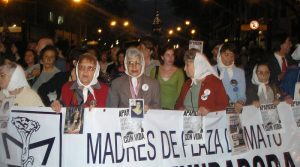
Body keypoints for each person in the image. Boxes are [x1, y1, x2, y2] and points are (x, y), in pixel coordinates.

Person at [175, 49, 228, 115]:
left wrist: (209, 110)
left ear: (198, 65)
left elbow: (224, 107)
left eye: (187, 65)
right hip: (187, 122)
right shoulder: (187, 83)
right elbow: (178, 104)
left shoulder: (215, 82)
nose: (184, 68)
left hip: (207, 123)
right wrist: (180, 108)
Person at [214, 43, 246, 112]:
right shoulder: (212, 71)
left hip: (234, 109)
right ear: (220, 55)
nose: (230, 58)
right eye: (226, 54)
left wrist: (240, 102)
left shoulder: (239, 72)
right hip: (218, 110)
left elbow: (242, 95)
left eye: (232, 55)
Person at [150, 45, 185, 109]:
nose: (171, 58)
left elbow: (180, 93)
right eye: (168, 55)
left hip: (173, 108)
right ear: (162, 57)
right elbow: (151, 90)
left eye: (172, 55)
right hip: (157, 107)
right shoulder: (154, 70)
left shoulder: (179, 72)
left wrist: (177, 107)